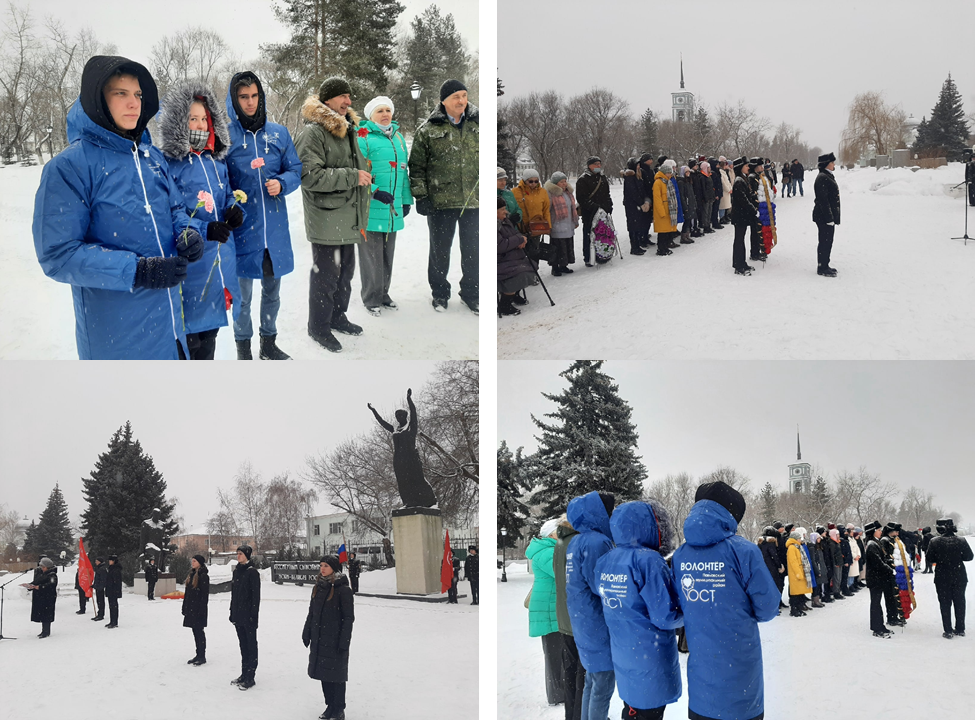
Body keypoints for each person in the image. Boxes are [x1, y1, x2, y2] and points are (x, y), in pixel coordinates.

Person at [33, 55, 202, 360]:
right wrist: (137, 271)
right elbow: (58, 255)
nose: (133, 103)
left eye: (137, 94)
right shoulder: (70, 167)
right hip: (117, 337)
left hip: (169, 325)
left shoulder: (152, 157)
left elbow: (176, 207)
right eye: (120, 93)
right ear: (98, 99)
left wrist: (187, 231)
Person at [673, 481, 779, 720]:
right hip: (739, 678)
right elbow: (768, 608)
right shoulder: (744, 551)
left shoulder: (681, 555)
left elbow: (680, 605)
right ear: (731, 515)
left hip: (702, 685)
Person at [157, 80, 243, 359]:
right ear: (178, 122)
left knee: (209, 340)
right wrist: (205, 229)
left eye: (204, 118)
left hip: (218, 266)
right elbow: (171, 213)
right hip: (191, 269)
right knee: (189, 343)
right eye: (192, 118)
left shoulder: (215, 160)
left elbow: (228, 193)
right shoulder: (168, 164)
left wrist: (233, 208)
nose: (199, 124)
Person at [224, 71, 301, 360]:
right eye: (243, 97)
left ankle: (268, 343)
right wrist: (234, 201)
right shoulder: (226, 137)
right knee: (242, 299)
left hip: (275, 230)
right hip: (243, 231)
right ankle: (243, 347)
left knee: (272, 293)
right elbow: (220, 182)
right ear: (235, 99)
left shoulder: (279, 133)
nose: (250, 102)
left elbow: (295, 169)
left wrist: (283, 183)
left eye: (255, 95)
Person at [296, 77, 374, 353]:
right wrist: (353, 176)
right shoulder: (313, 133)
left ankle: (337, 316)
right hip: (327, 217)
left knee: (345, 273)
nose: (348, 102)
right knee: (326, 275)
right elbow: (309, 176)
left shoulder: (348, 128)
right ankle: (318, 326)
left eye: (349, 97)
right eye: (343, 96)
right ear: (327, 100)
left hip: (346, 216)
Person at [596, 500, 683, 720]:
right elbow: (665, 615)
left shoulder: (606, 560)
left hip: (624, 651)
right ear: (653, 526)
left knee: (633, 709)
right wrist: (689, 614)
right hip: (649, 656)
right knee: (648, 712)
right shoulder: (649, 561)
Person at [409, 79, 479, 314]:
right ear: (443, 101)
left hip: (473, 201)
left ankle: (472, 293)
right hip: (441, 202)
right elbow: (417, 167)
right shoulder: (428, 130)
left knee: (473, 251)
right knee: (440, 251)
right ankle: (440, 293)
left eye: (464, 95)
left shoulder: (479, 126)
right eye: (455, 97)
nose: (461, 101)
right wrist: (421, 196)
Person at [355, 95, 412, 316]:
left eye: (388, 110)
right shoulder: (363, 137)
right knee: (371, 257)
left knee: (387, 254)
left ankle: (383, 293)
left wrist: (406, 200)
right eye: (380, 111)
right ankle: (371, 298)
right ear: (371, 115)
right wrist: (375, 191)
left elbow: (403, 173)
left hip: (392, 208)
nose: (385, 114)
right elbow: (358, 172)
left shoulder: (397, 138)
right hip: (371, 206)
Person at [565, 491, 616, 720]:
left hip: (583, 620)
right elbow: (603, 586)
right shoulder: (598, 542)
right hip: (597, 623)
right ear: (600, 512)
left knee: (591, 680)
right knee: (602, 685)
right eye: (610, 510)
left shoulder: (576, 541)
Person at [303, 555, 355, 720]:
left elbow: (348, 618)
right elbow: (312, 612)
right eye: (321, 565)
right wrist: (307, 630)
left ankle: (338, 708)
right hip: (320, 638)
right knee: (324, 674)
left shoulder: (343, 589)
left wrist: (344, 640)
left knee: (337, 676)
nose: (322, 568)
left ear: (334, 567)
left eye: (326, 565)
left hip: (336, 640)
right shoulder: (319, 587)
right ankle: (329, 705)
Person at [527, 519, 565, 706]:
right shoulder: (547, 552)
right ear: (552, 534)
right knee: (555, 654)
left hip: (551, 607)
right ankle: (558, 695)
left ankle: (560, 692)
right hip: (549, 610)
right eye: (560, 531)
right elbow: (563, 574)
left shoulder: (548, 549)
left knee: (557, 652)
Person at [554, 517, 585, 720]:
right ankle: (580, 714)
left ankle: (570, 715)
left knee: (570, 670)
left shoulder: (560, 543)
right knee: (583, 676)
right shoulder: (578, 543)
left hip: (564, 616)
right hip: (578, 617)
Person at [927, 518, 973, 639]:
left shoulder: (934, 541)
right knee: (959, 602)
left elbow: (930, 558)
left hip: (942, 576)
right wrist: (957, 557)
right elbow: (969, 557)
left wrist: (941, 558)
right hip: (959, 575)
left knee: (945, 603)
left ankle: (947, 630)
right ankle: (960, 628)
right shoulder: (961, 540)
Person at [230, 544, 261, 689]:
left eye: (241, 553)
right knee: (243, 645)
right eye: (237, 553)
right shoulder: (237, 571)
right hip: (238, 615)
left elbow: (256, 598)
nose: (238, 556)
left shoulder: (252, 572)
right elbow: (234, 595)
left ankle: (250, 676)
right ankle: (244, 673)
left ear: (247, 555)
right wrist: (232, 612)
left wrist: (253, 616)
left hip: (248, 616)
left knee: (251, 645)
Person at [497, 199, 534, 317]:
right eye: (502, 210)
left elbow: (515, 233)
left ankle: (514, 294)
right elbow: (499, 246)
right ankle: (505, 304)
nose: (505, 212)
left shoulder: (505, 221)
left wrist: (522, 238)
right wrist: (519, 240)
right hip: (500, 261)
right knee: (520, 272)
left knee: (530, 265)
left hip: (511, 257)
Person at [575, 157, 613, 266]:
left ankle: (602, 254)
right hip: (590, 212)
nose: (598, 166)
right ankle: (588, 256)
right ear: (589, 165)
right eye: (596, 164)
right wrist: (595, 207)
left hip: (604, 211)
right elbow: (581, 198)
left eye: (599, 164)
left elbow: (607, 194)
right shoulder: (583, 179)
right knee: (589, 233)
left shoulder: (602, 177)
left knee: (604, 232)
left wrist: (609, 205)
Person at [511, 169, 552, 264]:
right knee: (521, 253)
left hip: (536, 228)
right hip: (521, 228)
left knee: (534, 252)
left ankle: (534, 274)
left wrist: (548, 226)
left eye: (536, 181)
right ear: (524, 180)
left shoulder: (542, 192)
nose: (533, 183)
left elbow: (546, 210)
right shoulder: (515, 192)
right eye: (530, 181)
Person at [863, 520, 894, 637]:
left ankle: (880, 625)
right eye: (879, 530)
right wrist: (890, 569)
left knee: (878, 603)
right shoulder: (871, 545)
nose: (881, 532)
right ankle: (876, 628)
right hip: (875, 578)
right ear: (873, 532)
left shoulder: (876, 542)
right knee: (875, 603)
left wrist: (890, 562)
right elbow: (878, 563)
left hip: (879, 578)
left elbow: (883, 559)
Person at [812, 152, 840, 277]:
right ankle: (822, 267)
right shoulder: (823, 177)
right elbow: (823, 200)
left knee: (828, 241)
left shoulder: (827, 175)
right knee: (825, 241)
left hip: (826, 216)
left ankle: (825, 264)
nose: (834, 164)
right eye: (832, 162)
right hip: (823, 216)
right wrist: (829, 217)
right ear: (826, 165)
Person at [545, 172, 579, 274]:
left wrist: (575, 220)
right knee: (557, 247)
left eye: (565, 181)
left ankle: (564, 265)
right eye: (561, 182)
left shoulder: (568, 192)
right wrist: (549, 224)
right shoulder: (550, 194)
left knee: (567, 246)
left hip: (568, 223)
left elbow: (572, 207)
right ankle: (555, 267)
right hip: (557, 224)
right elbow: (547, 209)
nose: (564, 184)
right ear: (555, 183)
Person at [730, 157, 757, 275]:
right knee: (739, 240)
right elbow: (743, 200)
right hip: (739, 216)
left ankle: (741, 262)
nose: (748, 168)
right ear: (740, 168)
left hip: (742, 216)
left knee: (741, 240)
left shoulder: (743, 179)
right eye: (746, 166)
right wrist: (753, 209)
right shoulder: (739, 181)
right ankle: (739, 266)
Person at [182, 554, 210, 665]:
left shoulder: (203, 576)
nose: (192, 563)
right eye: (192, 561)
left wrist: (201, 609)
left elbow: (204, 596)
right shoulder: (192, 575)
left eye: (194, 561)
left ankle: (202, 655)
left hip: (198, 609)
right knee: (195, 631)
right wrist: (185, 607)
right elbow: (187, 594)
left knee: (199, 632)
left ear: (199, 563)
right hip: (191, 608)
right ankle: (198, 654)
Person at [621, 157, 651, 255]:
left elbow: (641, 190)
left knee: (638, 225)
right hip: (632, 205)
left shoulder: (638, 176)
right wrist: (641, 203)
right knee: (633, 226)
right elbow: (633, 193)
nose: (639, 167)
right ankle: (634, 247)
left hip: (637, 205)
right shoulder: (630, 177)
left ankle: (638, 244)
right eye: (637, 165)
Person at [652, 161, 680, 256]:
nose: (670, 174)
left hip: (669, 210)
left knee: (667, 231)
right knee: (662, 232)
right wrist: (661, 212)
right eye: (668, 173)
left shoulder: (667, 181)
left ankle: (665, 247)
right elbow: (657, 199)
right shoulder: (658, 183)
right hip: (663, 211)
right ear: (664, 173)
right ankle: (661, 249)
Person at [27, 557, 58, 638]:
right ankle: (43, 630)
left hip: (48, 598)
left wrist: (40, 587)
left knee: (47, 615)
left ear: (48, 567)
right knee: (42, 614)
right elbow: (37, 581)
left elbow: (51, 585)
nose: (42, 569)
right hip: (41, 598)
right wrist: (30, 585)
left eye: (43, 567)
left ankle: (46, 631)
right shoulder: (42, 574)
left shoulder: (52, 575)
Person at [786, 528, 812, 616]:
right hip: (796, 574)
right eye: (799, 538)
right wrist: (798, 573)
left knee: (799, 593)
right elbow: (793, 563)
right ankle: (794, 610)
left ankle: (799, 608)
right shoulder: (792, 548)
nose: (800, 540)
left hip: (800, 572)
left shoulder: (797, 547)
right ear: (795, 539)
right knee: (795, 594)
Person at [758, 526, 785, 607]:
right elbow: (774, 555)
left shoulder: (760, 543)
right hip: (772, 567)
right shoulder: (771, 543)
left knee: (768, 586)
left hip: (764, 567)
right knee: (777, 586)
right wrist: (779, 565)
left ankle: (771, 604)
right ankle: (776, 604)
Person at [105, 554, 122, 628]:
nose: (109, 562)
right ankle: (112, 621)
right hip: (110, 590)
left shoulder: (116, 570)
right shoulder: (111, 569)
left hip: (114, 591)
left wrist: (116, 590)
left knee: (114, 606)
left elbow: (117, 582)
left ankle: (114, 622)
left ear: (114, 561)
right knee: (111, 606)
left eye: (111, 560)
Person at [91, 556, 107, 621]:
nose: (95, 562)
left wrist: (100, 587)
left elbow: (102, 579)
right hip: (98, 587)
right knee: (99, 601)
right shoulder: (99, 568)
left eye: (96, 561)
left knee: (101, 601)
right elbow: (97, 579)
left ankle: (101, 615)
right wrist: (94, 585)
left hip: (100, 588)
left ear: (100, 562)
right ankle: (99, 613)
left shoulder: (102, 569)